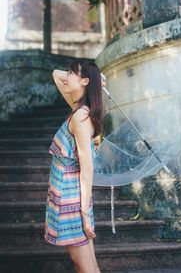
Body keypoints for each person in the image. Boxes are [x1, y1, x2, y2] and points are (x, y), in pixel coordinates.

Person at [44, 60, 105, 273]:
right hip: (69, 194)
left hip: (70, 197)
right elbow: (55, 72)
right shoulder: (79, 109)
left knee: (85, 267)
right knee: (86, 266)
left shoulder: (80, 116)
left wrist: (84, 212)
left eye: (72, 73)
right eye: (68, 72)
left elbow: (87, 167)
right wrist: (97, 79)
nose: (66, 76)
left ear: (85, 81)